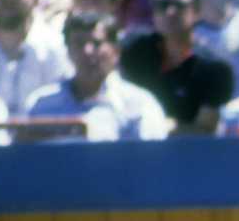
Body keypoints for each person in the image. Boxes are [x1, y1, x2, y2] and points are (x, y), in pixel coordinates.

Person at [120, 0, 234, 134]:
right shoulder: (134, 51)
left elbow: (204, 129)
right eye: (163, 5)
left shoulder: (215, 68)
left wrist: (159, 126)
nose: (170, 12)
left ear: (196, 8)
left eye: (178, 5)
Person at [26, 11, 169, 140]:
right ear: (68, 51)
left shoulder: (139, 105)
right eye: (78, 43)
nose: (87, 51)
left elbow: (152, 161)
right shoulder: (42, 105)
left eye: (96, 43)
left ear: (116, 51)